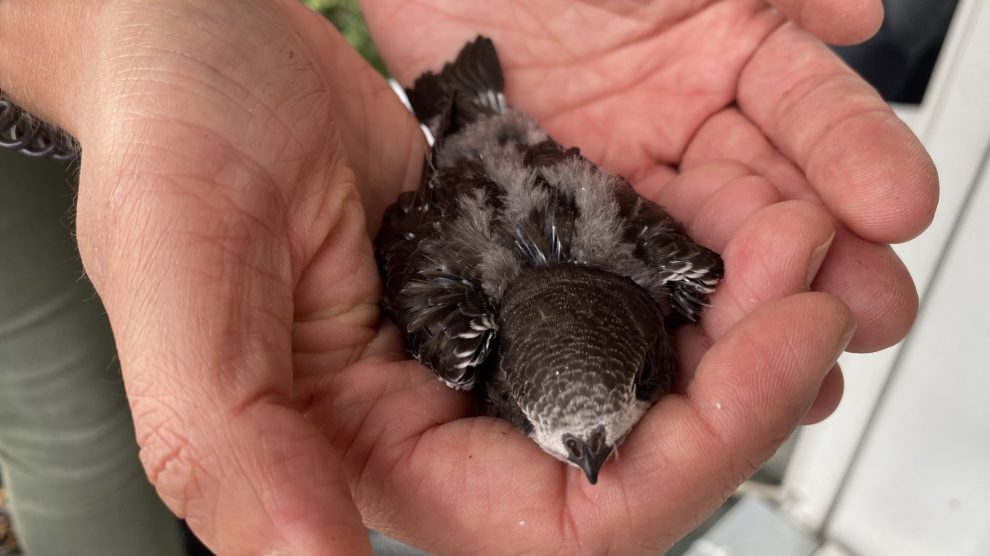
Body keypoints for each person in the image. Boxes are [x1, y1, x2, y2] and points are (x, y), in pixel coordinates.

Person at [0, 0, 937, 554]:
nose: (591, 456)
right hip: (476, 150)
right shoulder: (476, 335)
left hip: (482, 153)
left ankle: (464, 107)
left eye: (571, 429)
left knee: (70, 412)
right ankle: (463, 106)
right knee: (71, 414)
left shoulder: (662, 276)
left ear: (653, 338)